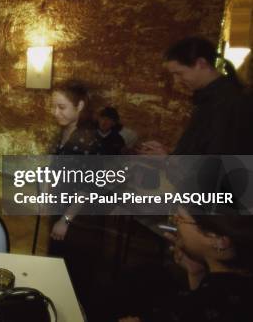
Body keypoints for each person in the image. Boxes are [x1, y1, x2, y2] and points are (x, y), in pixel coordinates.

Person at [116, 209, 253, 322]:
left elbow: (196, 307)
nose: (175, 220)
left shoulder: (200, 304)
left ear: (219, 242)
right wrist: (196, 273)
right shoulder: (237, 282)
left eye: (181, 219)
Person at [140, 36, 253, 155]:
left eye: (179, 73)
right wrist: (173, 153)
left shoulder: (227, 102)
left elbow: (218, 162)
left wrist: (167, 160)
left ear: (201, 63)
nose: (177, 80)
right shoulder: (211, 97)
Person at [49, 80, 99, 240]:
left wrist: (65, 220)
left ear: (80, 106)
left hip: (76, 218)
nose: (55, 112)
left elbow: (88, 188)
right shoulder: (65, 130)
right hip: (59, 206)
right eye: (54, 106)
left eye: (61, 107)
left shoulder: (88, 139)